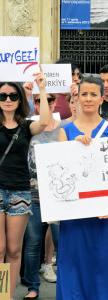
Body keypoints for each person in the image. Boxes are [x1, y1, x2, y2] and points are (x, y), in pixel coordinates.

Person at [0, 61, 50, 299]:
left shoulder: (26, 127)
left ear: (19, 99)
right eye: (2, 95)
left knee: (14, 250)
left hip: (20, 192)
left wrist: (42, 89)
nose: (8, 99)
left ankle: (8, 295)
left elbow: (44, 122)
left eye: (13, 95)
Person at [57, 76, 108, 300]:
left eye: (93, 94)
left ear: (102, 98)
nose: (88, 99)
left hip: (102, 213)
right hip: (74, 213)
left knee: (100, 265)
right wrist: (73, 149)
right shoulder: (65, 131)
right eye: (84, 94)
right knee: (72, 265)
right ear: (76, 96)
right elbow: (58, 171)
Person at [23, 94, 68, 299]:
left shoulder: (65, 126)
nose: (45, 103)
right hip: (34, 193)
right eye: (39, 100)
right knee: (33, 242)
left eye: (49, 100)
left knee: (63, 242)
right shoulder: (29, 127)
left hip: (61, 195)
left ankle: (66, 287)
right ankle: (33, 287)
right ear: (35, 103)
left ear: (55, 102)